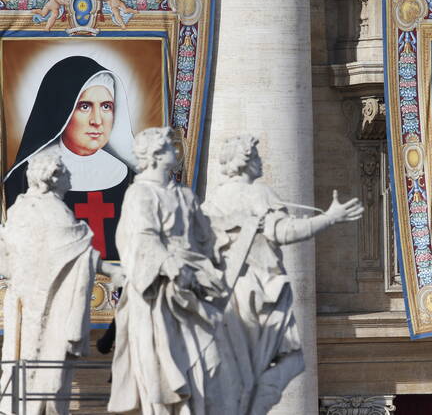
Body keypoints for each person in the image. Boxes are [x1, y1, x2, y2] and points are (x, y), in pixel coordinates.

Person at [203, 135, 363, 415]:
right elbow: (284, 231)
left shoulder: (211, 201)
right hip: (259, 289)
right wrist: (329, 218)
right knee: (290, 359)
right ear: (247, 161)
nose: (261, 162)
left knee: (238, 367)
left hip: (223, 293)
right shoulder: (257, 194)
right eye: (257, 156)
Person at [108, 127, 249, 415]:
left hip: (193, 290)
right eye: (170, 148)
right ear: (156, 156)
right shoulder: (140, 195)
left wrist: (243, 223)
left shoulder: (184, 195)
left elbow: (207, 233)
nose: (176, 152)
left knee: (212, 362)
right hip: (159, 296)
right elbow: (142, 240)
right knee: (164, 373)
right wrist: (169, 264)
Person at [0, 151, 123, 415]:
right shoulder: (57, 213)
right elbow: (82, 255)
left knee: (19, 364)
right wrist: (112, 271)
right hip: (50, 308)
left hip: (21, 305)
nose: (70, 177)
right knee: (47, 371)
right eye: (66, 172)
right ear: (54, 177)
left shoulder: (18, 209)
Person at [3, 55, 137, 260]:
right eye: (85, 106)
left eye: (106, 106)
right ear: (60, 111)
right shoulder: (24, 178)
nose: (97, 120)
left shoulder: (131, 180)